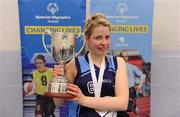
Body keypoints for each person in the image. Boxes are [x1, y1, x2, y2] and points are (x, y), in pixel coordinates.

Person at [53, 13, 129, 117]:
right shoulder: (74, 64)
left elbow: (122, 103)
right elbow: (59, 103)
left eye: (107, 37)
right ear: (87, 39)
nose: (104, 42)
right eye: (98, 38)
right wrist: (59, 79)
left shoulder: (118, 63)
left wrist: (84, 100)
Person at [119, 50, 143, 116]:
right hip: (120, 90)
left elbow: (142, 75)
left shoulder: (132, 67)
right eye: (122, 56)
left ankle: (137, 115)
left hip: (130, 89)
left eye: (125, 56)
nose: (124, 58)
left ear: (127, 57)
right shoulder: (116, 67)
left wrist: (140, 85)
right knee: (122, 106)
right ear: (120, 57)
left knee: (132, 106)